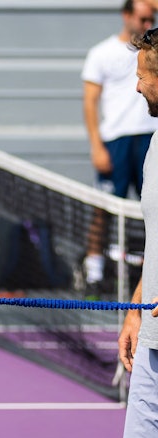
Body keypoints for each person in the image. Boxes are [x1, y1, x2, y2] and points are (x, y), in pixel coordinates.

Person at [78, 28, 158, 438]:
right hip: (153, 338)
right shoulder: (155, 146)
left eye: (146, 73)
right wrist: (134, 307)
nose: (136, 84)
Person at [81, 0, 158, 296]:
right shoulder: (101, 53)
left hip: (148, 139)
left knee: (149, 209)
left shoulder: (153, 52)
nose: (146, 23)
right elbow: (90, 101)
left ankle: (144, 277)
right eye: (142, 18)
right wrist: (97, 146)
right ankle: (93, 272)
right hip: (116, 141)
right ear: (126, 15)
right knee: (104, 210)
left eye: (151, 18)